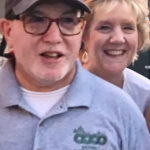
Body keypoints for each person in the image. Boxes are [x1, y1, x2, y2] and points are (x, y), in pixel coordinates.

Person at [0, 0, 150, 149]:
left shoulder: (123, 109)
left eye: (68, 20)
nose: (53, 37)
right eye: (37, 19)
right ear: (8, 31)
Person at [80, 0, 150, 131]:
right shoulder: (57, 89)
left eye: (128, 27)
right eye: (104, 27)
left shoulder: (145, 96)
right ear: (84, 35)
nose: (118, 38)